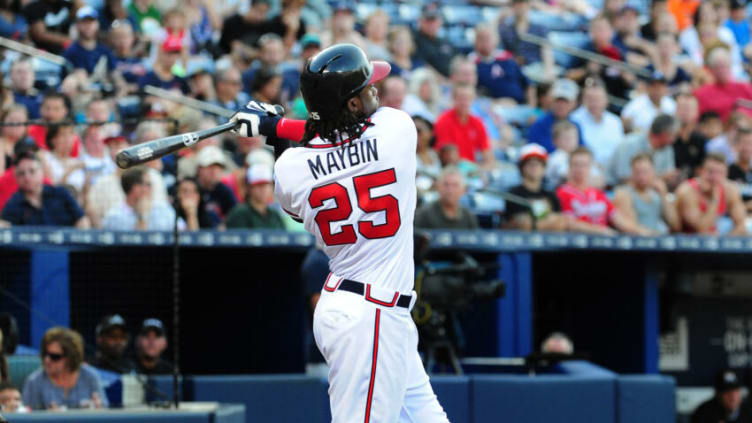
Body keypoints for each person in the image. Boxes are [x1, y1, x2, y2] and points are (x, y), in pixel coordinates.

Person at [230, 43, 449, 421]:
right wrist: (279, 126)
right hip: (372, 315)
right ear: (350, 104)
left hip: (357, 307)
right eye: (366, 88)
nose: (375, 91)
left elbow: (305, 180)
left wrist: (272, 131)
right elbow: (338, 135)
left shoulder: (289, 170)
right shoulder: (398, 130)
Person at [557, 147, 651, 235]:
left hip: (603, 246)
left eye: (584, 165)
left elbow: (617, 219)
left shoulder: (597, 194)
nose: (580, 169)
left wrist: (642, 232)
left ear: (590, 166)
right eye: (576, 164)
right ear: (570, 166)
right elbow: (569, 223)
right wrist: (600, 231)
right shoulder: (562, 193)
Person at [23, 327, 108, 410]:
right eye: (45, 354)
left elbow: (105, 412)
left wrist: (99, 409)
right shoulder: (34, 382)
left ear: (70, 358)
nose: (47, 360)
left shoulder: (90, 376)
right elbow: (27, 417)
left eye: (54, 356)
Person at [2, 151, 89, 228]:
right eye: (21, 173)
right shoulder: (13, 204)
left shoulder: (61, 193)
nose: (27, 177)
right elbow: (5, 228)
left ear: (42, 172)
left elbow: (82, 219)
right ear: (16, 177)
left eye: (32, 171)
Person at [676, 153, 747, 235]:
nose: (715, 177)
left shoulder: (730, 190)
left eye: (720, 173)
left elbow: (741, 226)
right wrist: (715, 199)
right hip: (684, 240)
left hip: (715, 236)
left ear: (726, 174)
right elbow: (700, 229)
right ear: (700, 171)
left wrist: (725, 243)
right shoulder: (687, 191)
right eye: (710, 172)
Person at [613, 154, 681, 235]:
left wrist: (663, 193)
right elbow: (631, 228)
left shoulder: (658, 195)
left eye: (645, 172)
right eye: (637, 172)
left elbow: (675, 226)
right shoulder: (624, 194)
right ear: (631, 173)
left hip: (659, 239)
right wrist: (653, 234)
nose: (641, 177)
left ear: (654, 172)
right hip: (639, 242)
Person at [505, 144, 567, 232]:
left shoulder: (551, 195)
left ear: (544, 168)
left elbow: (560, 222)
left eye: (539, 164)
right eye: (530, 164)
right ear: (521, 167)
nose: (534, 167)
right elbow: (516, 223)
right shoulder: (513, 193)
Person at [433, 84, 494, 168]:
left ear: (473, 100)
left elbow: (488, 156)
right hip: (449, 169)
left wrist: (480, 169)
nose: (464, 102)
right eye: (461, 98)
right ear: (453, 99)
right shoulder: (443, 121)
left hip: (470, 170)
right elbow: (446, 156)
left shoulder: (478, 122)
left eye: (467, 99)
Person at [608, 114, 679, 186]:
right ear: (664, 135)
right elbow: (623, 177)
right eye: (673, 135)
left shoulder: (667, 148)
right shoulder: (630, 144)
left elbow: (669, 174)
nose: (674, 140)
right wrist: (657, 179)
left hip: (652, 191)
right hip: (616, 189)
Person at [570, 78, 624, 170]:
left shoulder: (615, 121)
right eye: (591, 99)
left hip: (613, 171)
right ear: (584, 100)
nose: (595, 103)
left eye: (598, 99)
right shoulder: (575, 119)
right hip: (585, 170)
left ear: (606, 99)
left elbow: (620, 151)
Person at [470, 23, 529, 104]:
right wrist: (495, 102)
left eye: (488, 38)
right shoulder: (471, 64)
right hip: (492, 108)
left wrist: (531, 107)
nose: (485, 42)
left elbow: (528, 84)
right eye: (481, 39)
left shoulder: (507, 58)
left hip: (520, 105)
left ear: (496, 40)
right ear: (475, 41)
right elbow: (469, 92)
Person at [102, 167, 175, 231]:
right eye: (147, 184)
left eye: (149, 185)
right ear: (134, 187)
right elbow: (137, 243)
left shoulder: (163, 209)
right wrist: (143, 216)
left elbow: (183, 234)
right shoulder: (115, 216)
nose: (150, 189)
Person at [694, 46, 752, 122]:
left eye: (724, 66)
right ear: (711, 70)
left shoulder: (744, 87)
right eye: (717, 67)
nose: (722, 71)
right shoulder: (701, 93)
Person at [527, 78, 583, 153]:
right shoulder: (538, 125)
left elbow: (581, 151)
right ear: (551, 101)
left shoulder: (576, 125)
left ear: (574, 104)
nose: (561, 105)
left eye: (565, 101)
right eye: (558, 100)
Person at [415, 166, 479, 229]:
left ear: (463, 190)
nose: (450, 190)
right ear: (438, 187)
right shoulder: (424, 214)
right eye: (446, 184)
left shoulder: (468, 217)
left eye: (455, 185)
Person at [196, 146, 236, 227]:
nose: (214, 171)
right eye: (209, 166)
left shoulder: (224, 191)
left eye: (218, 167)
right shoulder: (191, 188)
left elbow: (234, 215)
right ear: (199, 169)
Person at [412, 2, 455, 77]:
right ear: (420, 21)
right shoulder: (414, 39)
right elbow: (422, 65)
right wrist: (444, 81)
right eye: (428, 20)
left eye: (434, 20)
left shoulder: (446, 41)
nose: (431, 23)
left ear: (440, 22)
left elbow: (457, 60)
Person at [674, 93, 707, 179]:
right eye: (682, 108)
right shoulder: (667, 137)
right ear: (676, 110)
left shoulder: (701, 139)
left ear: (697, 112)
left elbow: (702, 167)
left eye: (689, 109)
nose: (685, 112)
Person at [728, 128, 752, 211]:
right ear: (735, 145)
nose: (748, 147)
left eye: (750, 143)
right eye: (745, 143)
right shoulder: (727, 171)